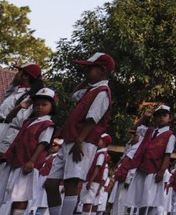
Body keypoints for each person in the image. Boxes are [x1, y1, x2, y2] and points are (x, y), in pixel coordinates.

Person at [45, 53, 114, 215]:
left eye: (91, 68)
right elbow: (73, 95)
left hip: (82, 141)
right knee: (50, 184)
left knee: (71, 183)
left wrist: (80, 140)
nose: (87, 71)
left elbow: (93, 119)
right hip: (70, 139)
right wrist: (86, 80)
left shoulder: (103, 91)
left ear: (103, 71)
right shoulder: (91, 89)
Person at [0, 88, 55, 215]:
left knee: (21, 196)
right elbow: (9, 118)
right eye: (37, 104)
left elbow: (43, 143)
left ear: (52, 107)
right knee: (11, 194)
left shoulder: (47, 124)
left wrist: (32, 161)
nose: (39, 107)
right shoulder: (29, 121)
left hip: (27, 162)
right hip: (16, 160)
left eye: (44, 104)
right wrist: (21, 106)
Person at [125, 105, 175, 215]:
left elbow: (167, 155)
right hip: (142, 169)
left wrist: (161, 171)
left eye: (164, 115)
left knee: (151, 201)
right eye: (158, 115)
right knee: (139, 199)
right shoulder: (149, 131)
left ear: (169, 118)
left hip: (154, 172)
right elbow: (133, 129)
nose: (161, 118)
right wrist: (144, 117)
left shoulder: (170, 135)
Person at [79, 133, 112, 215]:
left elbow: (97, 167)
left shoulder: (101, 154)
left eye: (100, 139)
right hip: (92, 180)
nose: (98, 141)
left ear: (104, 142)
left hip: (93, 180)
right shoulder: (99, 152)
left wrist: (91, 180)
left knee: (88, 201)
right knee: (86, 201)